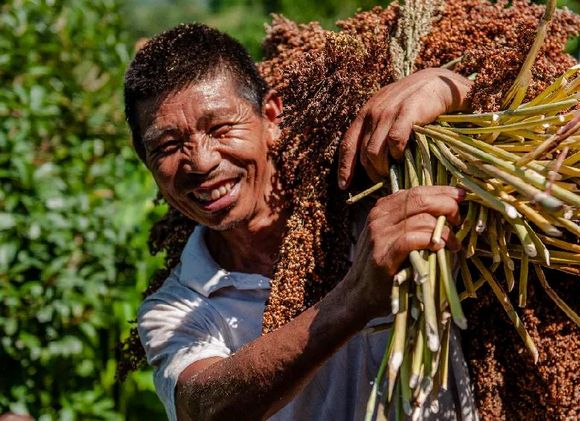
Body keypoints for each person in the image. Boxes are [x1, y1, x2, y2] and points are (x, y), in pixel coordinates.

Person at [125, 23, 478, 420]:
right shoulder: (176, 309)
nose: (202, 162)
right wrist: (357, 297)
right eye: (168, 147)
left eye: (221, 128)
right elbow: (205, 408)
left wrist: (449, 86)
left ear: (271, 117)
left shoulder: (368, 190)